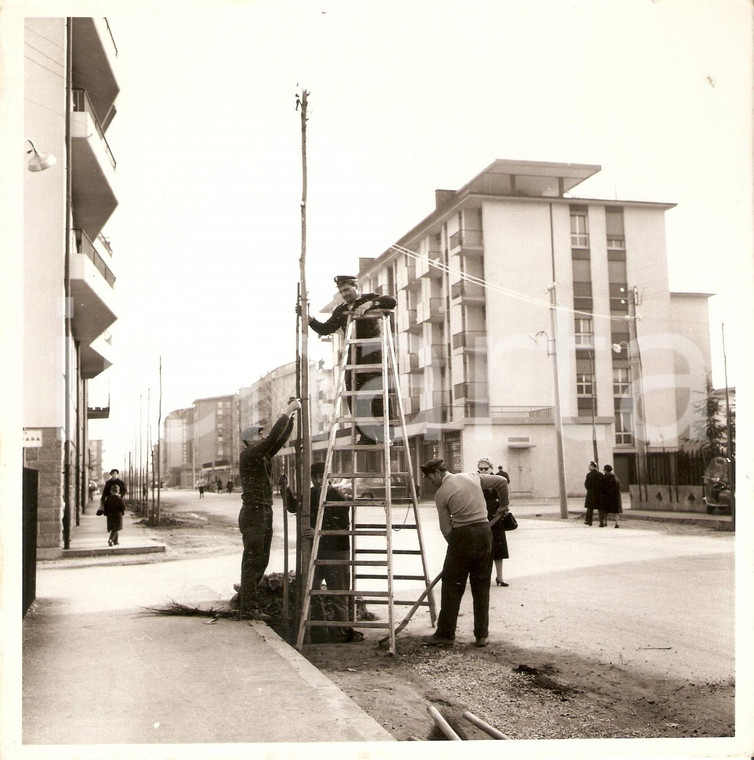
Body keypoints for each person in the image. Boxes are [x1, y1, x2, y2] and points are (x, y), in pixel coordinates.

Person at [419, 458, 508, 648]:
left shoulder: (441, 493)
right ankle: (481, 636)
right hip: (485, 534)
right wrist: (504, 505)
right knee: (481, 586)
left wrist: (458, 548)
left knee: (452, 586)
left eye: (428, 477)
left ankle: (445, 635)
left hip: (461, 537)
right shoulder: (472, 476)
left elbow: (446, 529)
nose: (429, 481)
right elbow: (502, 482)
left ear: (437, 472)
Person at [306, 275, 396, 444]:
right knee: (355, 396)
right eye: (341, 291)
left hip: (373, 355)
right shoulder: (340, 310)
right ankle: (366, 436)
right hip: (353, 357)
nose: (344, 294)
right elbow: (326, 329)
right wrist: (310, 320)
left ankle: (385, 434)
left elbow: (391, 301)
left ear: (356, 286)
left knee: (377, 394)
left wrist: (369, 305)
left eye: (347, 289)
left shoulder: (370, 298)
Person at [237, 397, 301, 619]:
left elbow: (278, 440)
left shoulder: (260, 456)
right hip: (254, 512)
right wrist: (286, 410)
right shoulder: (249, 455)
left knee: (261, 558)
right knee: (254, 557)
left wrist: (291, 418)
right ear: (250, 441)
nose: (263, 437)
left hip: (263, 510)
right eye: (259, 435)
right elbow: (273, 438)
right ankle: (248, 605)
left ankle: (249, 597)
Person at [287, 462, 363, 642]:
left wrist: (318, 533)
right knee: (311, 590)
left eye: (321, 476)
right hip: (316, 551)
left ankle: (341, 632)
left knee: (339, 592)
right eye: (315, 477)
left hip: (336, 551)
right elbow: (294, 507)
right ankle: (321, 630)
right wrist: (287, 490)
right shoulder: (311, 494)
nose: (318, 480)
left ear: (328, 477)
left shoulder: (337, 496)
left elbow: (342, 527)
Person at [477, 458, 511, 587]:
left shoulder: (498, 481)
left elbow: (505, 496)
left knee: (499, 549)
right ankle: (483, 577)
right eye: (481, 469)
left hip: (497, 518)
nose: (483, 471)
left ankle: (500, 577)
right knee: (482, 550)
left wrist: (504, 508)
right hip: (482, 518)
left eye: (486, 468)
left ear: (491, 468)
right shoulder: (477, 481)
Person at [583, 461, 603, 526]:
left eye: (589, 466)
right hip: (599, 494)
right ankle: (601, 523)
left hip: (591, 494)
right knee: (600, 508)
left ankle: (589, 521)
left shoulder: (589, 475)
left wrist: (590, 490)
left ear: (592, 466)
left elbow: (586, 484)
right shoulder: (600, 474)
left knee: (590, 508)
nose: (588, 467)